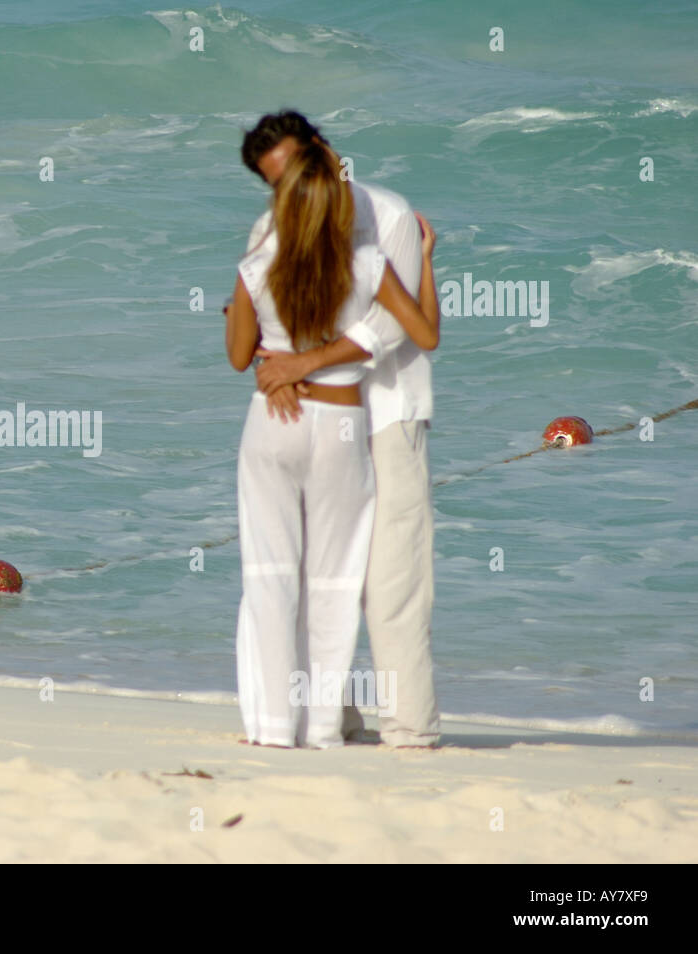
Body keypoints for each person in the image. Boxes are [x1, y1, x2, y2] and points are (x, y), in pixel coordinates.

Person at [224, 135, 439, 748]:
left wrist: (298, 364)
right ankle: (323, 723)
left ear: (318, 152)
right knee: (318, 576)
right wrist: (284, 367)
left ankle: (392, 730)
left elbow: (389, 329)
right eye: (274, 180)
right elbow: (418, 328)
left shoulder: (385, 215)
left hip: (362, 412)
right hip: (326, 419)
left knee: (361, 580)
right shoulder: (291, 234)